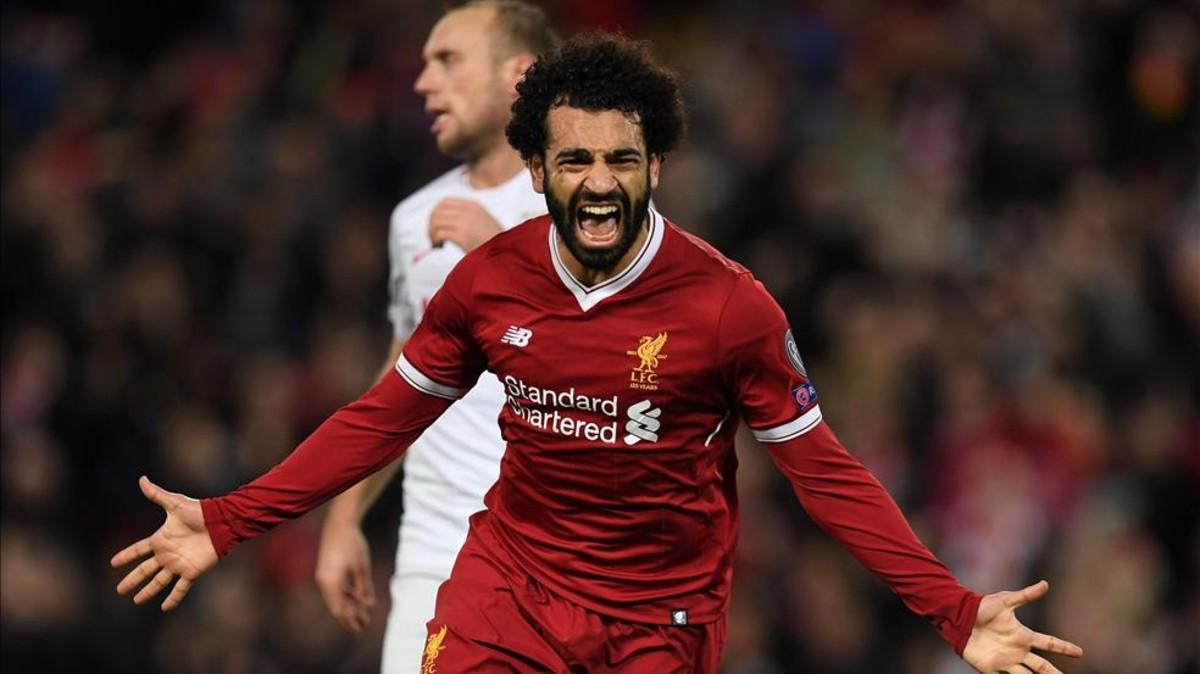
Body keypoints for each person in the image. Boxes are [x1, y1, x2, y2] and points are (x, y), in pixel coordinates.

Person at [112, 34, 1083, 674]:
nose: (601, 182)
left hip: (659, 624)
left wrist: (955, 612)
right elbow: (380, 420)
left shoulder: (728, 306)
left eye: (623, 159)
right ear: (538, 170)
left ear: (656, 164)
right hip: (512, 589)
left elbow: (826, 473)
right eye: (575, 160)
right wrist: (230, 520)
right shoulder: (490, 283)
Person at [312, 2, 558, 672]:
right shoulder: (413, 219)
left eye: (448, 60)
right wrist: (342, 519)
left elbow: (630, 360)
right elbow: (404, 378)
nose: (423, 82)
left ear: (520, 75)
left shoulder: (594, 203)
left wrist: (502, 256)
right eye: (423, 64)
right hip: (435, 556)